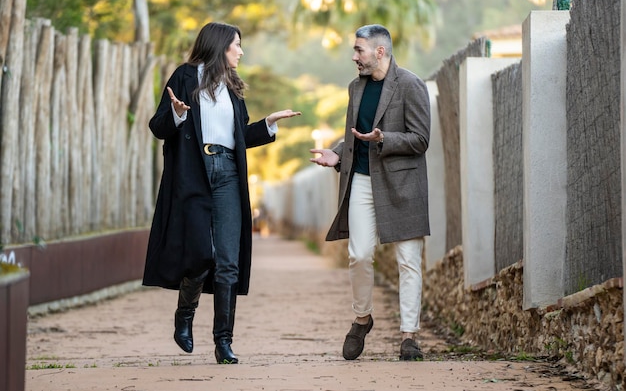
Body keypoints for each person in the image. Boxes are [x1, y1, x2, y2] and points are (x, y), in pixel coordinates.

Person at [143, 22, 300, 364]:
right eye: (236, 46)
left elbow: (239, 135)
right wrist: (176, 114)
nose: (241, 52)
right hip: (194, 173)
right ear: (219, 46)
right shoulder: (184, 77)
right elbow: (158, 127)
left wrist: (268, 124)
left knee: (228, 259)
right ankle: (185, 314)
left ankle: (223, 341)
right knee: (200, 253)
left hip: (228, 171)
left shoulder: (232, 86)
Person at [310, 24, 430, 361]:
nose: (354, 57)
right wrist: (337, 152)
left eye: (359, 50)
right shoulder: (355, 88)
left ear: (380, 51)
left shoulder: (410, 85)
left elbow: (421, 139)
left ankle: (409, 337)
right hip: (362, 179)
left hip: (404, 183)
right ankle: (362, 318)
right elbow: (354, 134)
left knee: (409, 261)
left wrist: (383, 139)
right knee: (359, 254)